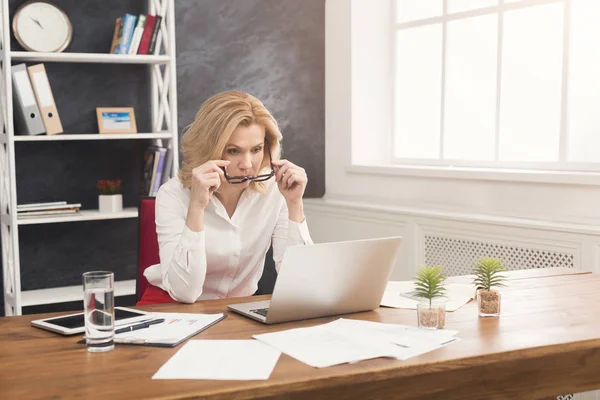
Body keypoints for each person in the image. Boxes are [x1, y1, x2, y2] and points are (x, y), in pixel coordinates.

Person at [143, 91, 313, 303]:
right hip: (175, 307)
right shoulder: (173, 194)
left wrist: (295, 205)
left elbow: (301, 281)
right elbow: (184, 292)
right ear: (210, 149)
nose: (247, 164)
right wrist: (196, 206)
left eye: (257, 149)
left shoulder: (275, 190)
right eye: (233, 151)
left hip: (238, 310)